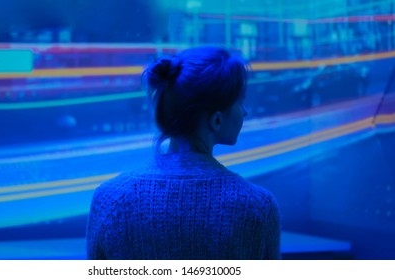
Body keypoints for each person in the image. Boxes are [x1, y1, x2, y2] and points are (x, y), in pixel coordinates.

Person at [87, 46, 281, 260]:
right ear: (216, 120)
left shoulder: (110, 199)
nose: (244, 111)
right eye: (240, 100)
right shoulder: (256, 207)